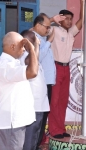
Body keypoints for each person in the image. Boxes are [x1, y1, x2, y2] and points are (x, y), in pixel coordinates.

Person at [48, 0, 86, 139]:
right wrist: (53, 19)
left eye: (71, 19)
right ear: (60, 19)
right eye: (67, 19)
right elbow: (40, 26)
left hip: (66, 68)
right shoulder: (54, 30)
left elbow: (82, 20)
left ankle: (61, 128)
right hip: (56, 67)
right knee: (55, 101)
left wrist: (82, 2)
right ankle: (54, 130)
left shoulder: (70, 33)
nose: (70, 22)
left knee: (63, 101)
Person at [0, 32, 38, 150]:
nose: (23, 50)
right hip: (10, 123)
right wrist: (32, 49)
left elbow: (28, 67)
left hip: (12, 122)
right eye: (22, 46)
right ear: (12, 47)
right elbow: (32, 72)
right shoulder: (6, 66)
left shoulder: (11, 62)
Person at [19, 30, 50, 150]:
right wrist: (35, 46)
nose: (37, 43)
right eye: (33, 41)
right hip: (33, 106)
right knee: (29, 139)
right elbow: (31, 63)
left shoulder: (31, 57)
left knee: (35, 139)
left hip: (40, 106)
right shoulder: (24, 57)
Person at [32, 13, 56, 146]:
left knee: (43, 115)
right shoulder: (33, 38)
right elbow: (37, 59)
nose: (48, 30)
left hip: (46, 82)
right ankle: (34, 144)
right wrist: (49, 41)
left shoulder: (41, 38)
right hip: (40, 83)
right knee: (39, 116)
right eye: (47, 27)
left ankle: (37, 143)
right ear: (37, 25)